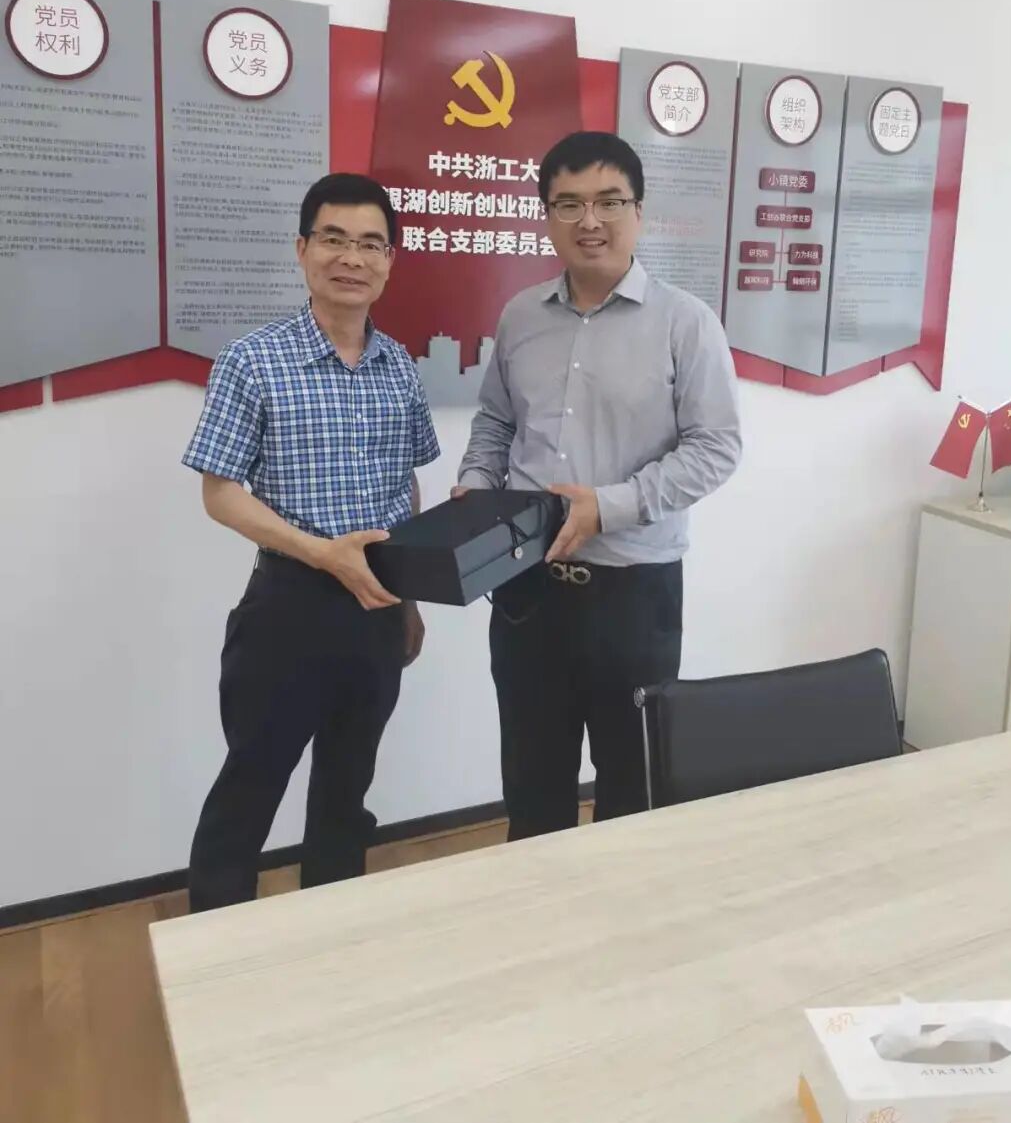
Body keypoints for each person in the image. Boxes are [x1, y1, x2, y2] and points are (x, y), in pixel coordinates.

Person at [456, 131, 741, 839]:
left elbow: (716, 447)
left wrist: (607, 507)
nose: (590, 220)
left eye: (609, 201)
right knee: (532, 786)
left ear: (638, 211)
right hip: (526, 588)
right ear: (547, 215)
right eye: (569, 203)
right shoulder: (521, 316)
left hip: (633, 594)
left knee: (634, 786)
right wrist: (475, 485)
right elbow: (495, 420)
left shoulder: (686, 323)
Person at [182, 172, 439, 912]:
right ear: (303, 249)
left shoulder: (399, 367)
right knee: (251, 786)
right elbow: (220, 494)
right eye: (334, 239)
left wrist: (411, 600)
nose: (351, 258)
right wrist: (322, 552)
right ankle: (215, 952)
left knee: (346, 789)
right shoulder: (253, 359)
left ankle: (330, 935)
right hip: (288, 607)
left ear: (389, 260)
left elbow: (405, 485)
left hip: (379, 605)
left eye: (370, 244)